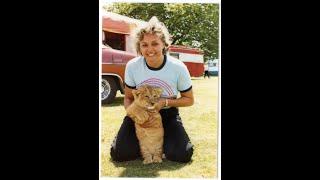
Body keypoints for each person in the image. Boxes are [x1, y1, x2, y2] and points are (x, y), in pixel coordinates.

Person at [110, 16, 194, 163]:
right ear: (139, 47)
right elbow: (129, 97)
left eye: (155, 43)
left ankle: (165, 141)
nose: (149, 49)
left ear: (164, 44)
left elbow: (189, 100)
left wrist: (165, 102)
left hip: (167, 113)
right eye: (144, 45)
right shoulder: (132, 65)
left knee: (182, 154)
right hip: (140, 113)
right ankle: (144, 144)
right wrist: (135, 115)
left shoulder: (178, 67)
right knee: (120, 154)